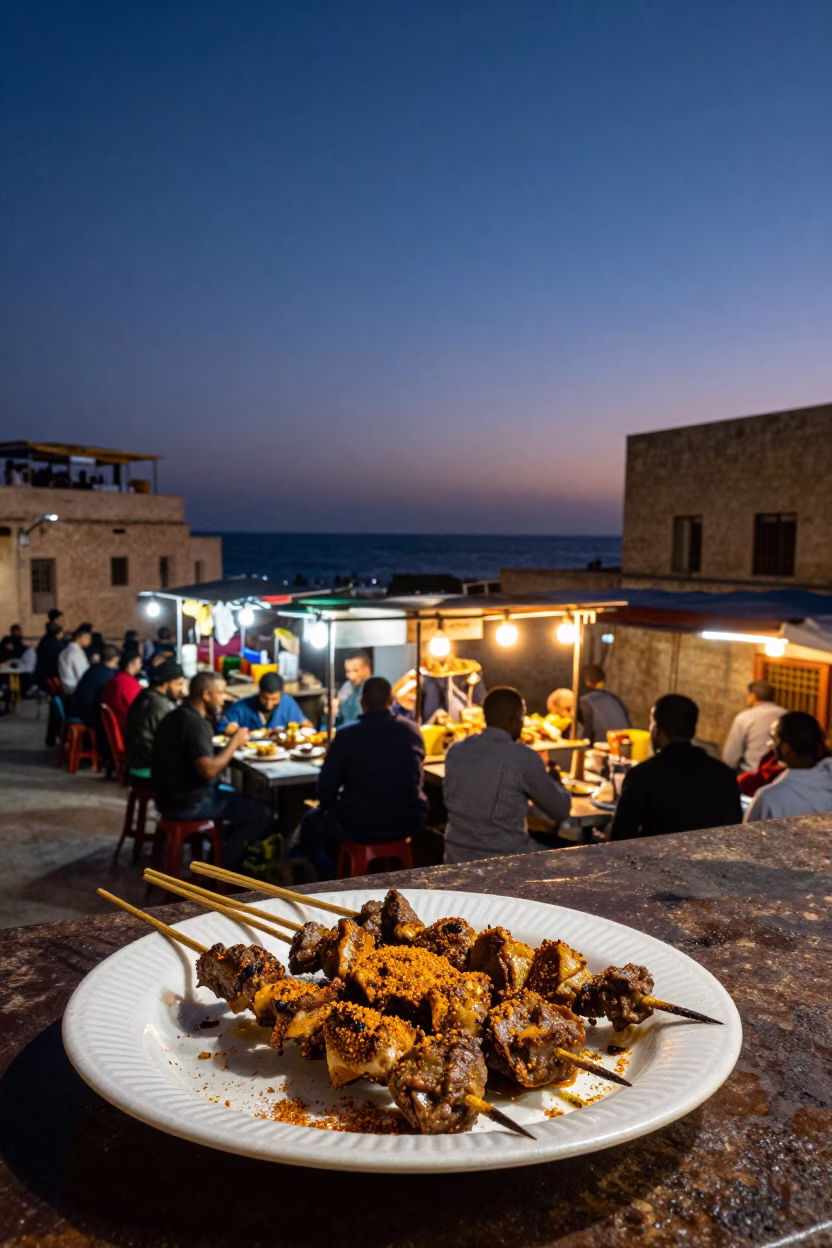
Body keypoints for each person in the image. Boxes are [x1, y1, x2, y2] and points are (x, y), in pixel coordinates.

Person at [299, 676, 428, 878]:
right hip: (408, 821)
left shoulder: (346, 735)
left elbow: (325, 792)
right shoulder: (412, 731)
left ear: (362, 703)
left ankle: (331, 881)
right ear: (391, 701)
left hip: (360, 824)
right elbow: (417, 781)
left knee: (310, 821)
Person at [151, 671, 272, 868]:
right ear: (206, 695)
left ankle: (217, 856)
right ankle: (221, 870)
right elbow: (208, 771)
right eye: (221, 693)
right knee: (261, 814)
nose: (224, 699)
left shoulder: (177, 715)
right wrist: (234, 743)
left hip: (166, 797)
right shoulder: (196, 723)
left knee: (233, 794)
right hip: (186, 802)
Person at [443, 686, 570, 864]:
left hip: (455, 857)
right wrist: (554, 777)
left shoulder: (455, 751)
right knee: (573, 859)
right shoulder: (523, 757)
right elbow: (561, 810)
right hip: (504, 861)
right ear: (514, 718)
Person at [610, 694, 742, 841]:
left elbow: (619, 838)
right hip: (714, 861)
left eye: (651, 723)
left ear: (657, 729)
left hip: (658, 862)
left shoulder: (642, 776)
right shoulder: (724, 775)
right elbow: (734, 831)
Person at [745, 712, 832, 822]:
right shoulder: (827, 774)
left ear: (786, 748)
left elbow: (748, 836)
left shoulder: (769, 797)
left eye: (774, 739)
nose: (770, 744)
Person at [125, 660, 184, 785]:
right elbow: (169, 739)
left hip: (135, 758)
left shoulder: (146, 694)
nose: (181, 689)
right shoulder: (159, 704)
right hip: (146, 763)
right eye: (178, 684)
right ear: (165, 683)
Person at [722, 680, 787, 774]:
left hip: (751, 774)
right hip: (779, 773)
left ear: (752, 696)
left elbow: (730, 757)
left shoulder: (745, 718)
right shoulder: (785, 715)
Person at [218, 672, 310, 733]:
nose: (269, 704)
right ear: (259, 692)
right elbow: (224, 727)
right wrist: (240, 732)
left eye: (274, 699)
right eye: (265, 698)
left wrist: (299, 731)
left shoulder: (287, 702)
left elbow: (307, 724)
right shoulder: (242, 706)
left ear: (281, 694)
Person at [577, 664, 630, 744]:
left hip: (603, 749)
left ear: (586, 682)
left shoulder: (586, 702)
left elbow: (586, 737)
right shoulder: (615, 699)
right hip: (625, 747)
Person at [71, 644, 119, 727]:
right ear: (116, 659)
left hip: (76, 708)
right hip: (89, 715)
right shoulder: (111, 675)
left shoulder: (92, 669)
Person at [100, 650, 144, 738]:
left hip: (117, 726)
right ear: (131, 663)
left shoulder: (117, 678)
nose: (141, 665)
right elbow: (137, 708)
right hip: (125, 729)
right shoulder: (127, 683)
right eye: (139, 662)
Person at [335, 650, 372, 725]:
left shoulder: (376, 688)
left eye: (355, 671)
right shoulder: (347, 687)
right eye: (348, 671)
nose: (351, 676)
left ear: (367, 669)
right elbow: (339, 713)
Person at [58, 625, 92, 695]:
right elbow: (83, 676)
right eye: (87, 638)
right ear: (80, 637)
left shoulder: (64, 651)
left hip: (67, 689)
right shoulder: (76, 653)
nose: (89, 641)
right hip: (75, 691)